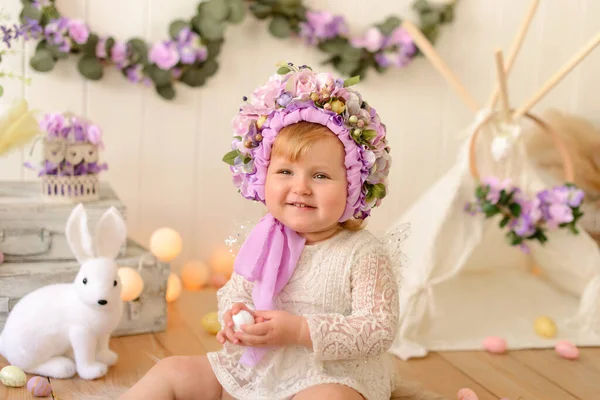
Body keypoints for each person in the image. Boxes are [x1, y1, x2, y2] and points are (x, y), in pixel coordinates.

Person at [120, 62, 402, 400]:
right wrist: (236, 313)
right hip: (262, 366)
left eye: (321, 176)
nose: (301, 188)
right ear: (262, 177)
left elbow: (377, 329)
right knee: (171, 371)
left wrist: (300, 330)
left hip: (331, 374)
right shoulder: (266, 239)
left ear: (354, 186)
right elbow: (236, 290)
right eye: (285, 171)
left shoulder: (362, 253)